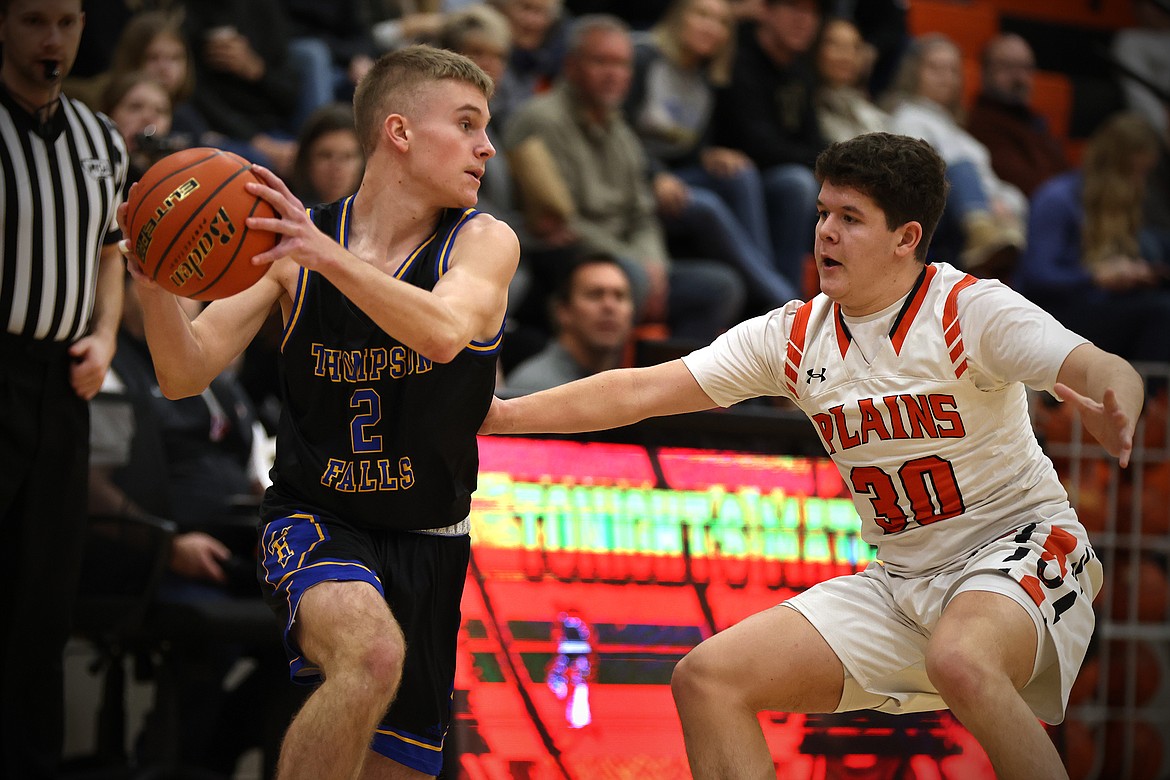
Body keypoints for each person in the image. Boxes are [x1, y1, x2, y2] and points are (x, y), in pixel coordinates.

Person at [479, 131, 1145, 780]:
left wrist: (1119, 392)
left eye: (851, 219)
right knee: (708, 680)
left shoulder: (968, 311)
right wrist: (504, 416)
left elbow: (1097, 364)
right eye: (823, 212)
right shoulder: (795, 335)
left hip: (1019, 546)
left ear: (906, 239)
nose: (825, 232)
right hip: (904, 580)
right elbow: (643, 389)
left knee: (963, 660)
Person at [116, 44, 518, 780]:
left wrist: (324, 257)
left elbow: (440, 331)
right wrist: (152, 286)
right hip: (316, 517)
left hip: (430, 537)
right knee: (370, 654)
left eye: (484, 127)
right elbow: (183, 373)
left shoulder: (484, 241)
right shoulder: (292, 251)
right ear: (399, 132)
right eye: (466, 124)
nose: (486, 145)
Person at [87, 281, 298, 778]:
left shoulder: (222, 382)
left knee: (306, 643)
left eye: (190, 286)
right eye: (164, 284)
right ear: (128, 292)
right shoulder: (112, 368)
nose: (181, 295)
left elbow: (256, 477)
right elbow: (86, 482)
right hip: (150, 557)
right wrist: (167, 545)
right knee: (211, 641)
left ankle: (220, 754)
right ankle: (173, 761)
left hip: (235, 554)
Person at [0, 0, 129, 777]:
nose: (53, 41)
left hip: (62, 381)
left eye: (67, 22)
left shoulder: (101, 138)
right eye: (34, 21)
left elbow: (111, 251)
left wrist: (108, 336)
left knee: (44, 599)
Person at [502, 14, 745, 342]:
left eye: (622, 64)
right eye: (601, 62)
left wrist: (654, 263)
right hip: (570, 260)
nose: (614, 74)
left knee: (720, 286)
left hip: (632, 261)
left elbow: (643, 214)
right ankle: (608, 386)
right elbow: (560, 222)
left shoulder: (621, 130)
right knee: (626, 279)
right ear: (571, 66)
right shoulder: (539, 120)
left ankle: (671, 387)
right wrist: (634, 263)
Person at [626, 0, 799, 310]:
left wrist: (707, 155)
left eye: (721, 22)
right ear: (678, 16)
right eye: (702, 15)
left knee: (740, 173)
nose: (711, 27)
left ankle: (772, 296)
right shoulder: (643, 57)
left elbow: (684, 148)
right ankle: (782, 303)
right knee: (708, 207)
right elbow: (617, 131)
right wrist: (654, 174)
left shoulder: (706, 77)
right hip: (633, 179)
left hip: (674, 177)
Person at [1014, 111, 1170, 366]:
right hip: (1053, 315)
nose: (1138, 183)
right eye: (1134, 173)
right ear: (1114, 167)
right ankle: (1145, 401)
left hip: (1099, 307)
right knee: (1163, 312)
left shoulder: (1121, 208)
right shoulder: (1057, 198)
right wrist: (1095, 277)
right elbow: (1037, 276)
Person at [883, 32, 1026, 277]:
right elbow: (918, 173)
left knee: (1015, 195)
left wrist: (1002, 201)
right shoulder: (906, 117)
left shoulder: (960, 131)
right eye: (935, 68)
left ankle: (997, 243)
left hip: (985, 211)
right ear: (914, 71)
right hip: (936, 216)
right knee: (961, 168)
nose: (945, 78)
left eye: (952, 70)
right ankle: (982, 236)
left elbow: (992, 183)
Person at [712, 0, 825, 291]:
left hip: (775, 173)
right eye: (795, 8)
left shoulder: (800, 71)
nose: (804, 20)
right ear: (765, 11)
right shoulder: (739, 59)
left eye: (811, 12)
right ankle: (778, 295)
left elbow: (813, 138)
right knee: (797, 182)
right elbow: (757, 143)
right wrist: (814, 163)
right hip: (732, 171)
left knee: (803, 181)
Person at [506, 253, 634, 392]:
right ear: (563, 311)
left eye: (620, 296)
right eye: (595, 294)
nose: (610, 306)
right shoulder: (534, 387)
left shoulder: (628, 384)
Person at [967, 33, 1069, 199]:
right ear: (985, 71)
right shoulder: (981, 123)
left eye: (1026, 68)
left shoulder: (1035, 122)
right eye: (1008, 67)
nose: (1020, 78)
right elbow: (1027, 184)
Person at [813, 16, 890, 144]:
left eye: (855, 47)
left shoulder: (868, 109)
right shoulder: (807, 106)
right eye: (835, 45)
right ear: (815, 48)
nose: (846, 55)